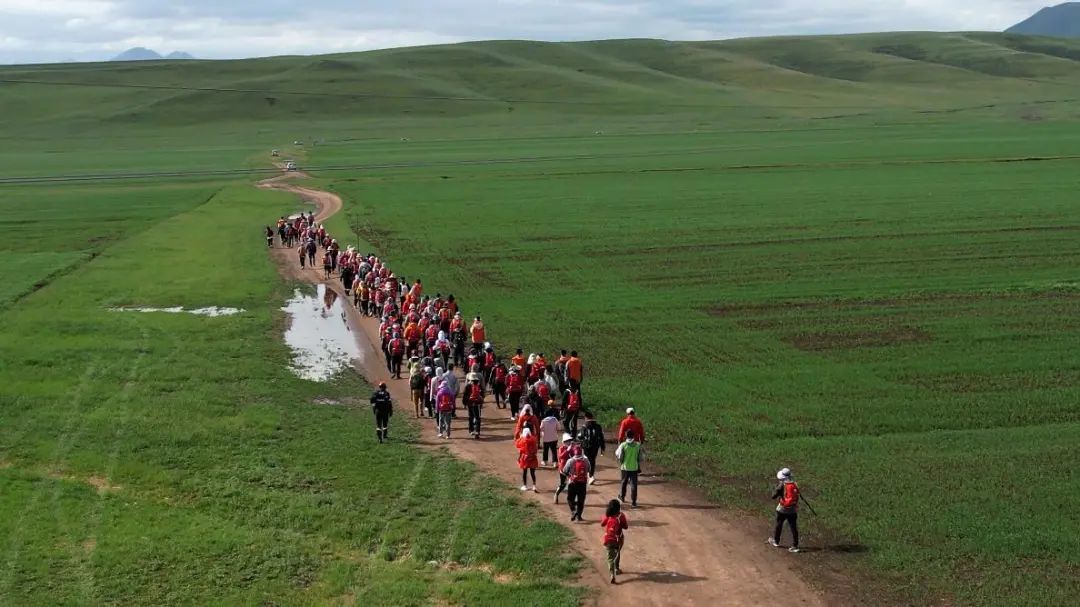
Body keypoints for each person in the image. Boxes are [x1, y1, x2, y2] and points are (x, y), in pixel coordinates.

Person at [769, 468, 801, 553]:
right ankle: (795, 546)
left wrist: (778, 490)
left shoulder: (782, 485)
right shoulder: (794, 484)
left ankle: (776, 541)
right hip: (793, 509)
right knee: (793, 527)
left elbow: (773, 496)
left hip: (782, 509)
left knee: (779, 524)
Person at [601, 499, 628, 584]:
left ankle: (612, 574)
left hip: (608, 539)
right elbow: (626, 527)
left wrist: (605, 517)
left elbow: (602, 524)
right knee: (617, 552)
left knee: (610, 558)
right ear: (618, 508)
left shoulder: (607, 515)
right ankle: (617, 568)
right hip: (618, 540)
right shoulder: (621, 515)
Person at [563, 445, 592, 522]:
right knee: (581, 500)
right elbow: (589, 469)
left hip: (573, 483)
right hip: (583, 483)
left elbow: (565, 471)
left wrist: (570, 475)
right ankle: (579, 516)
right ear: (581, 452)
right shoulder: (586, 460)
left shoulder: (570, 460)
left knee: (570, 499)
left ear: (574, 452)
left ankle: (573, 511)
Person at [615, 430, 643, 508]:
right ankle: (634, 502)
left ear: (626, 436)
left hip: (625, 468)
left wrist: (620, 460)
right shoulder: (638, 445)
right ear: (633, 436)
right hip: (634, 468)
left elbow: (617, 454)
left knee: (624, 483)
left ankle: (622, 497)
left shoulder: (623, 445)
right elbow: (641, 457)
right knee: (634, 485)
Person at [578, 412, 606, 485]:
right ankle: (591, 475)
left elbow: (580, 436)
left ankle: (589, 475)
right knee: (592, 460)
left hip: (586, 446)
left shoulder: (584, 426)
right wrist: (603, 448)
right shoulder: (598, 426)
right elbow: (601, 437)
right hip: (595, 446)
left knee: (587, 460)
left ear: (586, 418)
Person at [516, 427, 539, 492]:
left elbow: (519, 448)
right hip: (533, 458)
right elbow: (536, 449)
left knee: (524, 472)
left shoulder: (522, 440)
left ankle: (525, 486)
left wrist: (519, 458)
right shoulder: (534, 439)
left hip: (525, 458)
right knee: (532, 473)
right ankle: (534, 486)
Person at [554, 433, 574, 504]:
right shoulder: (561, 448)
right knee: (563, 484)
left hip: (571, 468)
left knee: (573, 483)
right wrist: (567, 450)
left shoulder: (571, 448)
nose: (569, 442)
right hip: (563, 468)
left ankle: (571, 499)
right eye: (567, 441)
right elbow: (560, 456)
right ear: (564, 442)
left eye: (569, 440)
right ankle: (557, 494)